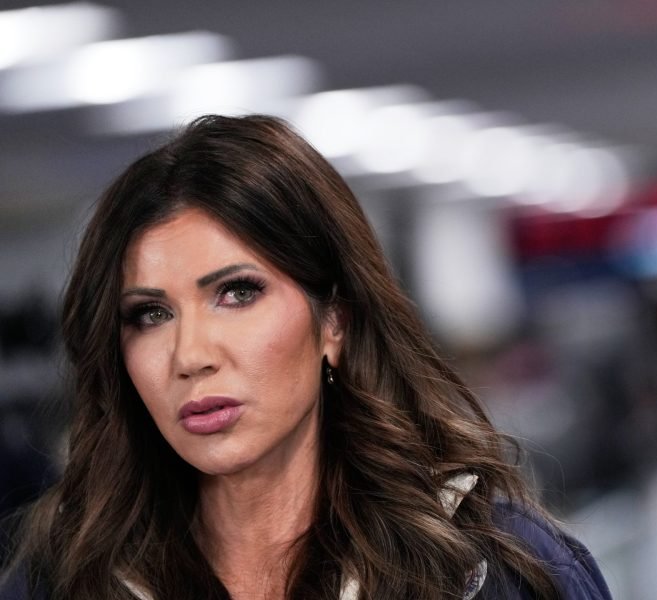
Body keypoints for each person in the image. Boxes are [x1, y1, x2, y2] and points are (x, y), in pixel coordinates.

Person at [0, 115, 611, 600]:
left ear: (334, 321)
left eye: (237, 293)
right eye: (150, 314)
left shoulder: (496, 572)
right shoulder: (64, 579)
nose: (190, 356)